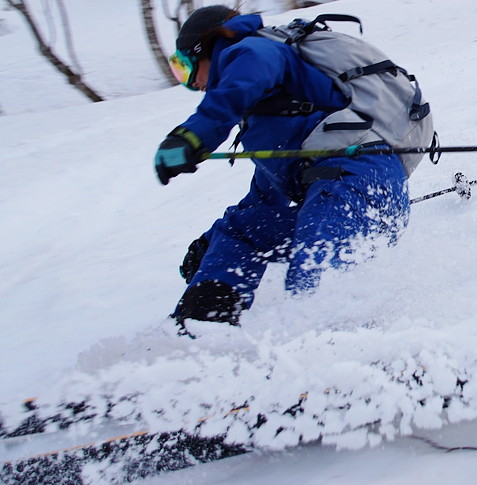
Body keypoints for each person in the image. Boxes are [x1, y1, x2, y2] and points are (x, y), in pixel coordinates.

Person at [155, 6, 421, 332]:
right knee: (239, 230)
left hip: (358, 182)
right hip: (336, 190)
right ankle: (202, 330)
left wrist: (193, 136)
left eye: (183, 67)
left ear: (205, 48)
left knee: (314, 280)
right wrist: (210, 245)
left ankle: (354, 359)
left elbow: (244, 80)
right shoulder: (268, 116)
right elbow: (266, 197)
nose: (191, 82)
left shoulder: (253, 49)